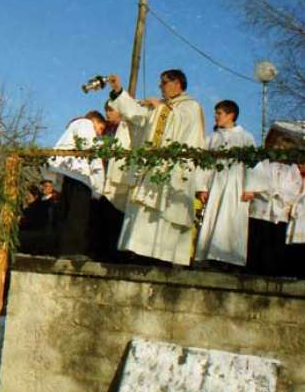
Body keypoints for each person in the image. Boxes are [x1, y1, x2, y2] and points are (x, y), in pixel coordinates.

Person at [106, 70, 207, 266]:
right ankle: (139, 254)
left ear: (177, 83)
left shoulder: (190, 106)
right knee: (143, 213)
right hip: (151, 168)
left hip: (174, 170)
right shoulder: (161, 106)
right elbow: (137, 115)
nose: (160, 86)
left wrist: (162, 108)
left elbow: (182, 125)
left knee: (166, 216)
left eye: (164, 83)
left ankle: (162, 260)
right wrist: (118, 90)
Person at [194, 100, 257, 267]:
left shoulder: (246, 137)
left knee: (232, 220)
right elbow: (203, 163)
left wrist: (250, 187)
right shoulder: (212, 138)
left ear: (231, 115)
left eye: (219, 113)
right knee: (213, 218)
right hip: (216, 184)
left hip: (236, 185)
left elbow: (252, 164)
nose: (215, 117)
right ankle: (210, 257)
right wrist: (202, 187)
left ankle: (231, 260)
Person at [49, 110, 107, 257]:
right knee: (78, 215)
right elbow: (89, 147)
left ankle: (64, 249)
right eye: (100, 129)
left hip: (70, 173)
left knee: (68, 214)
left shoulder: (73, 127)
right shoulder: (85, 124)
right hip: (79, 175)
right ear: (95, 121)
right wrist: (98, 186)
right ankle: (73, 251)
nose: (99, 134)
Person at [246, 138, 301, 276]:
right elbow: (257, 181)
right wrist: (271, 191)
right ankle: (253, 269)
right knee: (257, 240)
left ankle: (273, 272)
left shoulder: (292, 169)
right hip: (261, 207)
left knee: (275, 243)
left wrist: (280, 194)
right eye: (278, 149)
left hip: (280, 209)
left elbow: (295, 187)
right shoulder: (264, 164)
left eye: (284, 149)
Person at [97, 102, 134, 260]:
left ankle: (116, 255)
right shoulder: (106, 129)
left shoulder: (127, 128)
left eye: (111, 110)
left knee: (117, 215)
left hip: (120, 177)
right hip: (104, 176)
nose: (107, 113)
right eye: (106, 110)